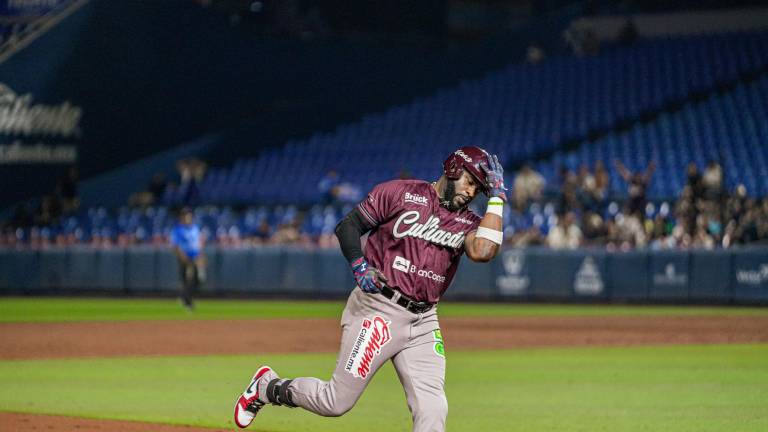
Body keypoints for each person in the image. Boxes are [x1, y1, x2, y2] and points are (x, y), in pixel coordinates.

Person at [233, 146, 507, 431]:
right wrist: (359, 265)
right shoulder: (400, 193)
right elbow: (348, 226)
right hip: (379, 309)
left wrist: (497, 199)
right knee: (335, 401)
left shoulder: (468, 222)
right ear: (453, 170)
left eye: (479, 188)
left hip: (424, 320)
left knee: (433, 407)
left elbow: (484, 251)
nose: (472, 192)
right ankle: (266, 387)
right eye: (470, 181)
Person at [170, 208, 205, 310]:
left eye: (189, 216)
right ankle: (187, 301)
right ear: (182, 218)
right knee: (186, 280)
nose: (188, 218)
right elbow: (175, 246)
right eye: (186, 216)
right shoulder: (178, 229)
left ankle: (186, 298)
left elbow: (199, 244)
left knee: (199, 279)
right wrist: (183, 257)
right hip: (185, 258)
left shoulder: (195, 228)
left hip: (196, 258)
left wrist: (201, 256)